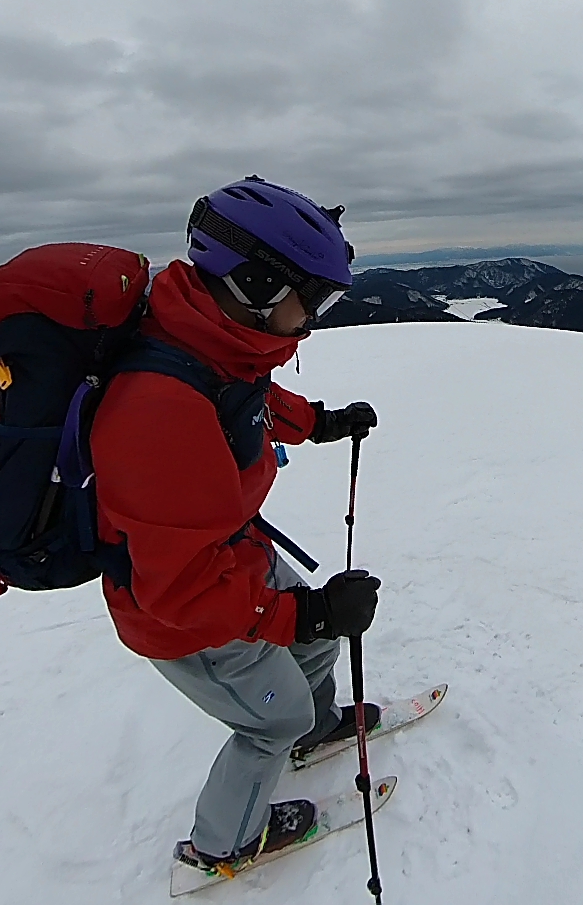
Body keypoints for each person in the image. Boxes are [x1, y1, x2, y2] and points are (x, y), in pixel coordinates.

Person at [89, 176, 384, 875]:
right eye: (310, 296)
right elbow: (177, 592)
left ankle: (315, 730)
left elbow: (246, 397)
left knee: (314, 652)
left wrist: (321, 422)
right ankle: (221, 844)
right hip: (184, 612)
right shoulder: (156, 412)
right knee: (268, 721)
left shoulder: (211, 345)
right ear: (252, 285)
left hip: (230, 555)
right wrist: (306, 612)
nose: (315, 316)